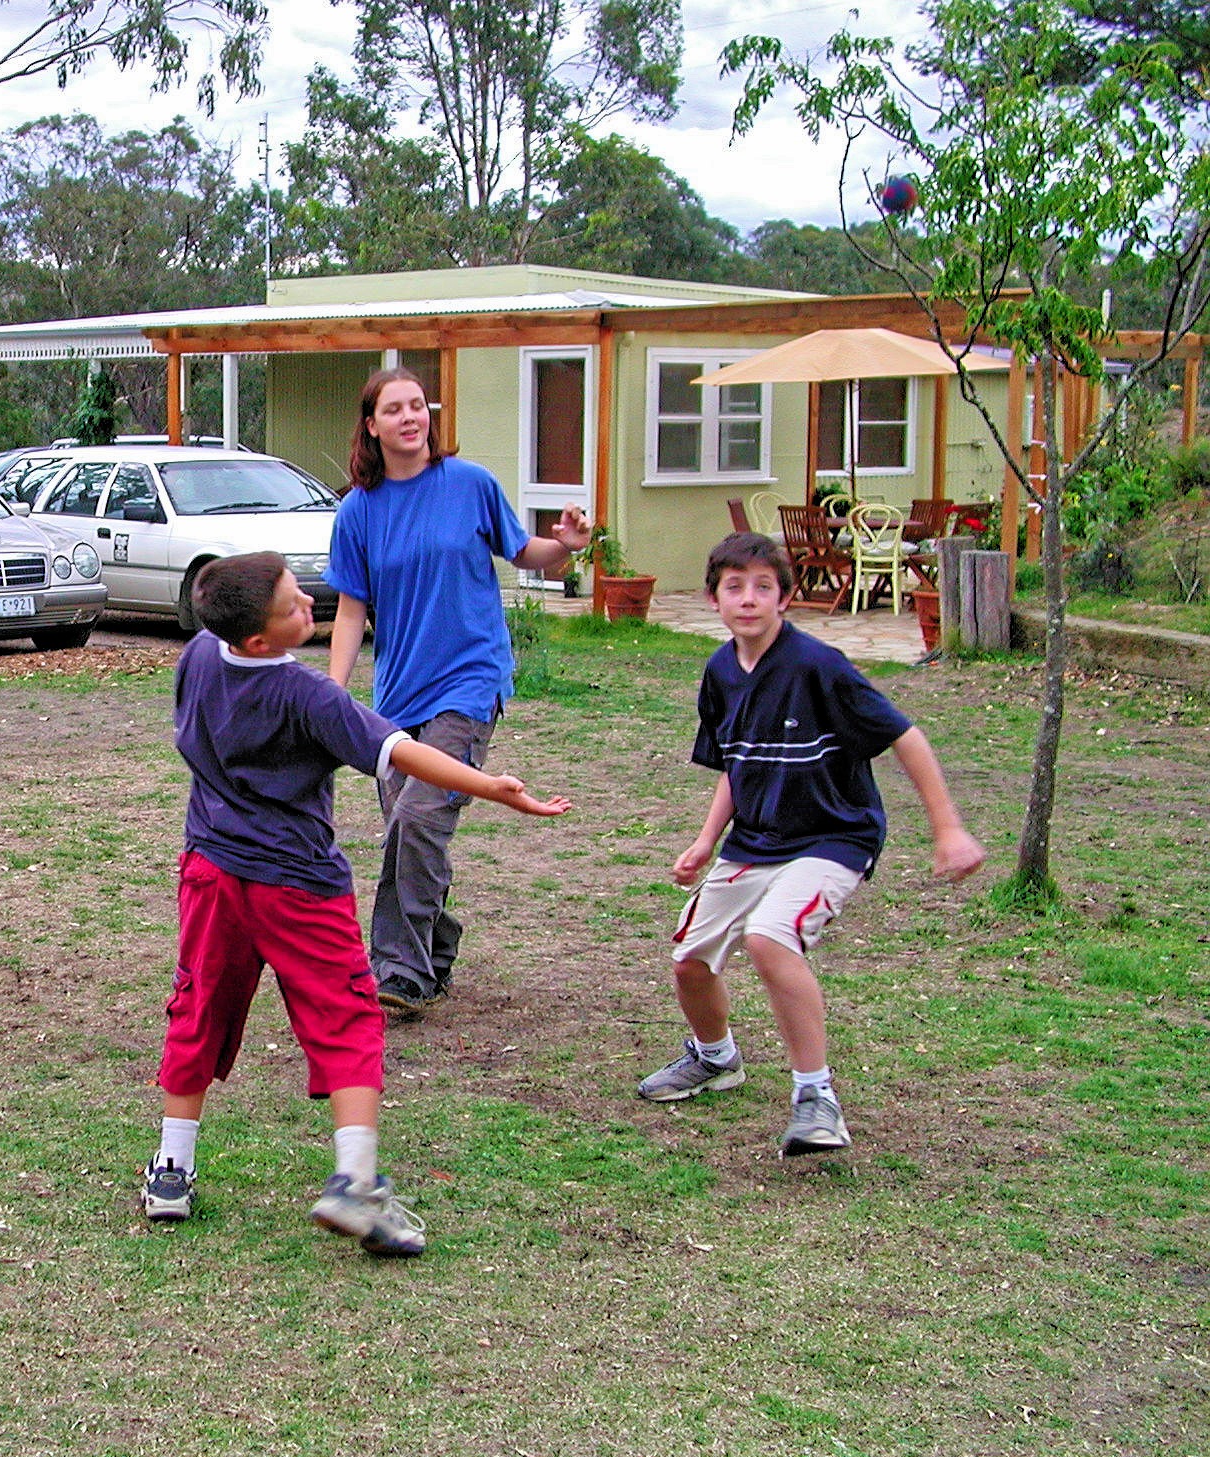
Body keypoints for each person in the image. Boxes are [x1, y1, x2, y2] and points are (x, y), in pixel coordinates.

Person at [143, 551, 572, 1254]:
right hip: (296, 885)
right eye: (291, 607)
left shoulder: (197, 656)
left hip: (211, 871)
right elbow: (399, 752)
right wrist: (492, 785)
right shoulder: (310, 698)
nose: (307, 606)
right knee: (347, 1019)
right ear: (258, 639)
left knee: (197, 1006)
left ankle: (172, 1170)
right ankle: (356, 1185)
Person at [639, 532, 986, 1153]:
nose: (748, 599)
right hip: (753, 841)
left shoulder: (818, 667)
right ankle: (716, 1059)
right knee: (690, 961)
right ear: (714, 598)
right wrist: (705, 839)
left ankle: (816, 1097)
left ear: (785, 598)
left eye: (763, 587)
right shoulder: (719, 672)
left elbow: (906, 737)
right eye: (734, 587)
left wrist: (948, 828)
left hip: (833, 835)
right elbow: (736, 764)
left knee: (770, 938)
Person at [325, 366, 592, 1015]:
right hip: (397, 693)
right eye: (395, 409)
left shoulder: (470, 485)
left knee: (418, 819)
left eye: (419, 405)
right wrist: (333, 700)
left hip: (469, 683)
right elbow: (352, 611)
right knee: (409, 835)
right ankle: (436, 948)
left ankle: (400, 971)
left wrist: (566, 546)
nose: (411, 417)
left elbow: (522, 550)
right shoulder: (359, 511)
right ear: (372, 425)